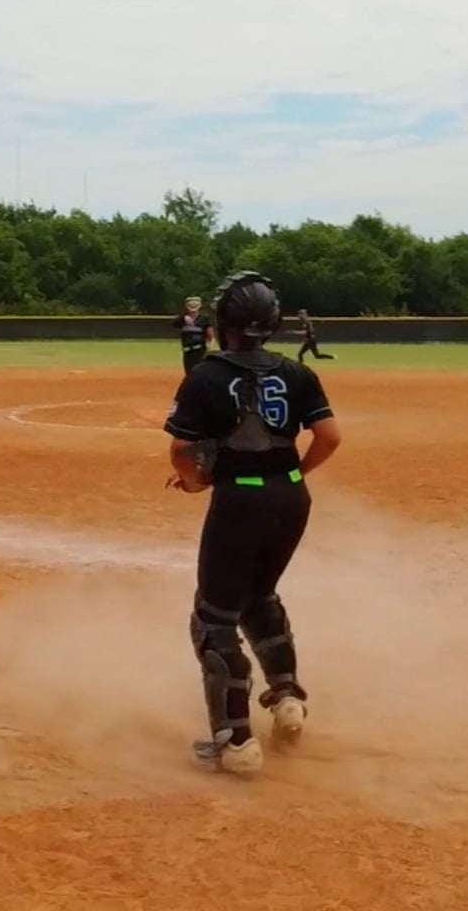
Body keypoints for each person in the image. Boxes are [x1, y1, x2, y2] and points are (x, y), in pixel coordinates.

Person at [163, 270, 344, 775]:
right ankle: (287, 697)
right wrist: (291, 474)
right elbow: (329, 436)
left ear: (224, 322)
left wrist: (195, 481)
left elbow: (182, 450)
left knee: (214, 617)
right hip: (292, 498)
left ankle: (236, 741)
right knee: (259, 595)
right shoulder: (297, 373)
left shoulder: (206, 375)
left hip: (239, 502)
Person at [172, 297, 211, 373]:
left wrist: (209, 347)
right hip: (187, 351)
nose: (193, 307)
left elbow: (210, 335)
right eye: (191, 304)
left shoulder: (204, 319)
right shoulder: (182, 319)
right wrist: (184, 317)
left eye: (195, 304)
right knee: (188, 371)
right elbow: (174, 323)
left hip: (199, 350)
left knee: (199, 371)